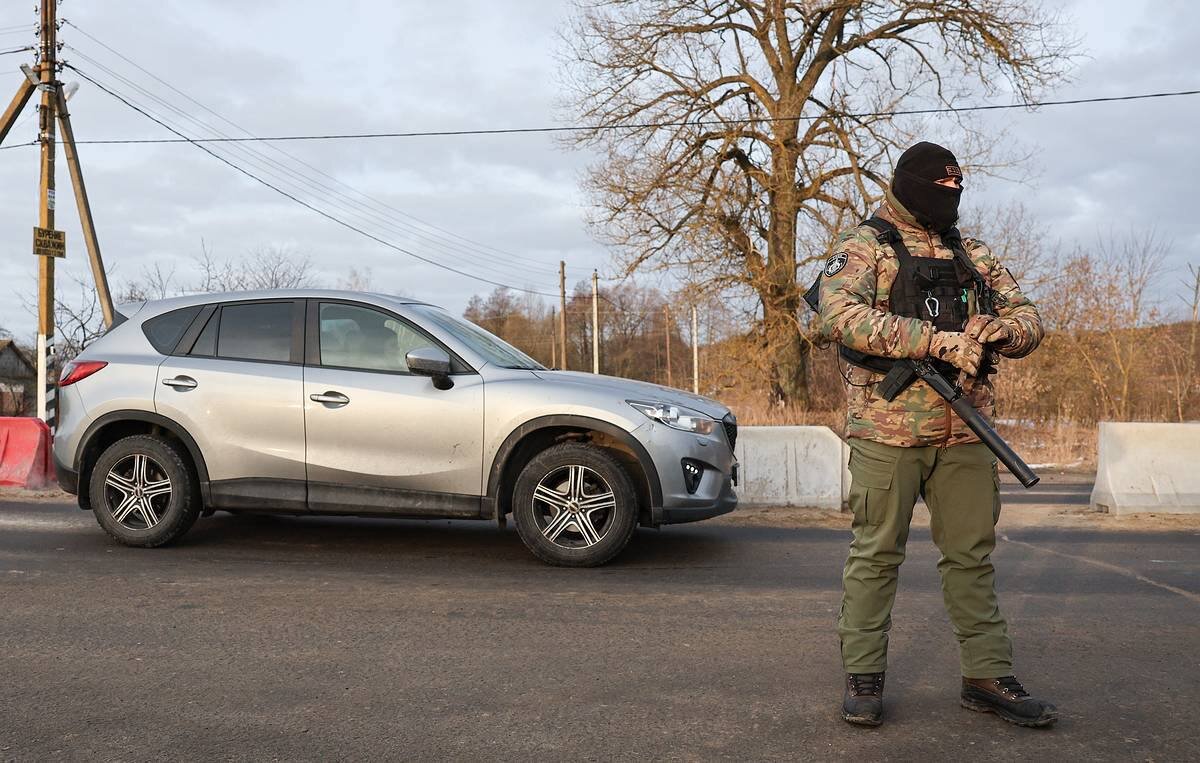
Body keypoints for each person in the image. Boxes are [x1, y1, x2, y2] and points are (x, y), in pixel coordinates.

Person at [816, 141, 1057, 728]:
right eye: (939, 190)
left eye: (957, 190)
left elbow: (1031, 317)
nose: (949, 199)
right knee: (876, 556)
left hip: (966, 431)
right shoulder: (863, 246)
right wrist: (931, 340)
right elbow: (835, 315)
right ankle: (865, 676)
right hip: (886, 429)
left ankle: (986, 674)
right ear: (909, 186)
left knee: (972, 557)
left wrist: (999, 330)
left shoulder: (972, 252)